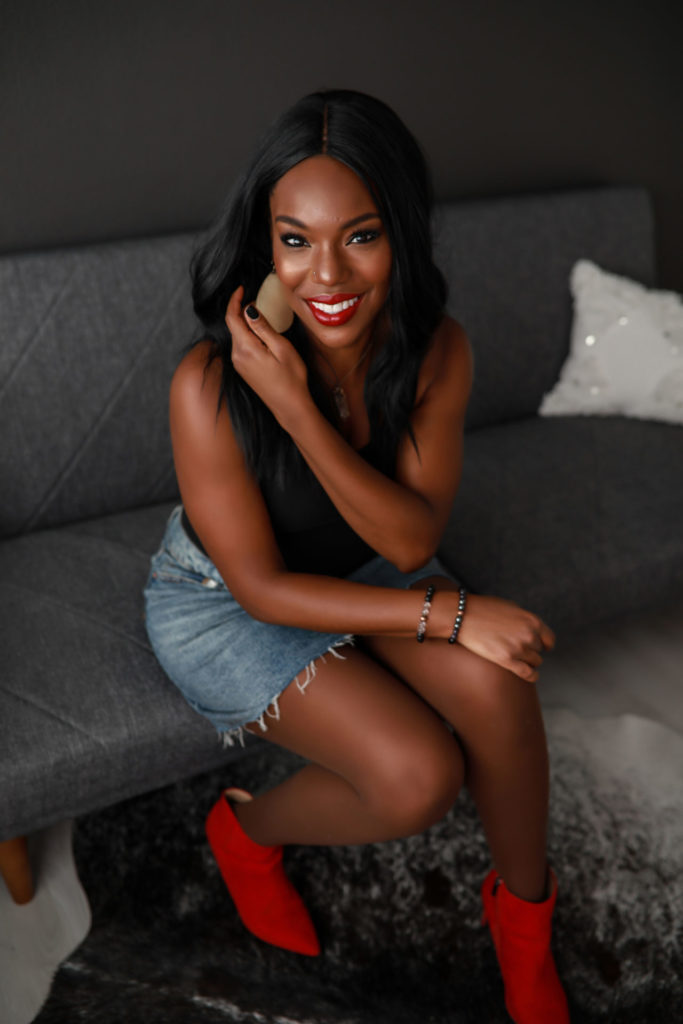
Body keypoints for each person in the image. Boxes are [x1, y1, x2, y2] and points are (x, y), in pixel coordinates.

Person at [144, 89, 570, 1023]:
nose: (324, 273)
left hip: (369, 566)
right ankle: (244, 830)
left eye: (360, 236)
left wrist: (304, 410)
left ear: (402, 236)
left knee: (500, 689)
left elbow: (410, 540)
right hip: (226, 600)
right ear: (263, 249)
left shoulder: (434, 350)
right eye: (293, 241)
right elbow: (261, 588)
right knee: (418, 778)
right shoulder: (208, 380)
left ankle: (525, 929)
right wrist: (451, 613)